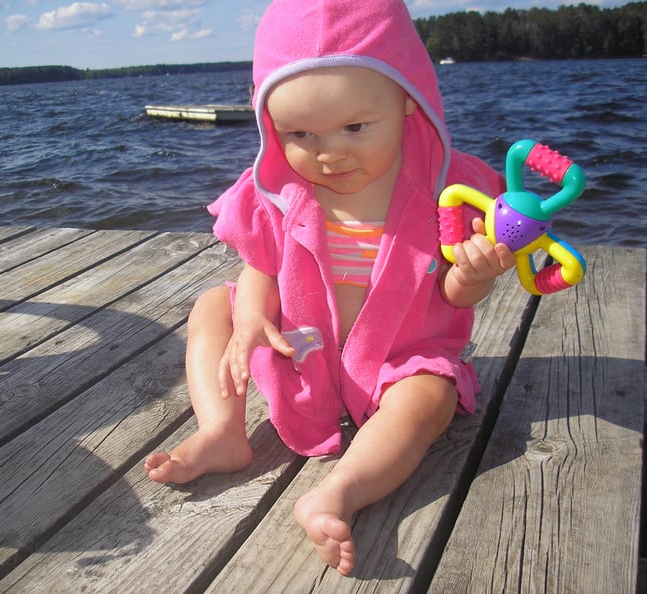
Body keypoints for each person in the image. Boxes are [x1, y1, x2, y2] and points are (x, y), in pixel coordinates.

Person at [145, 0, 515, 576]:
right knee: (214, 304)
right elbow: (262, 265)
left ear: (408, 100)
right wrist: (248, 324)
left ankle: (341, 489)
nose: (329, 152)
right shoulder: (279, 188)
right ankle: (221, 431)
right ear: (272, 126)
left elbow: (455, 294)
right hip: (302, 352)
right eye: (300, 134)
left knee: (432, 392)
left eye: (355, 127)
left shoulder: (449, 189)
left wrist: (471, 274)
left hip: (399, 359)